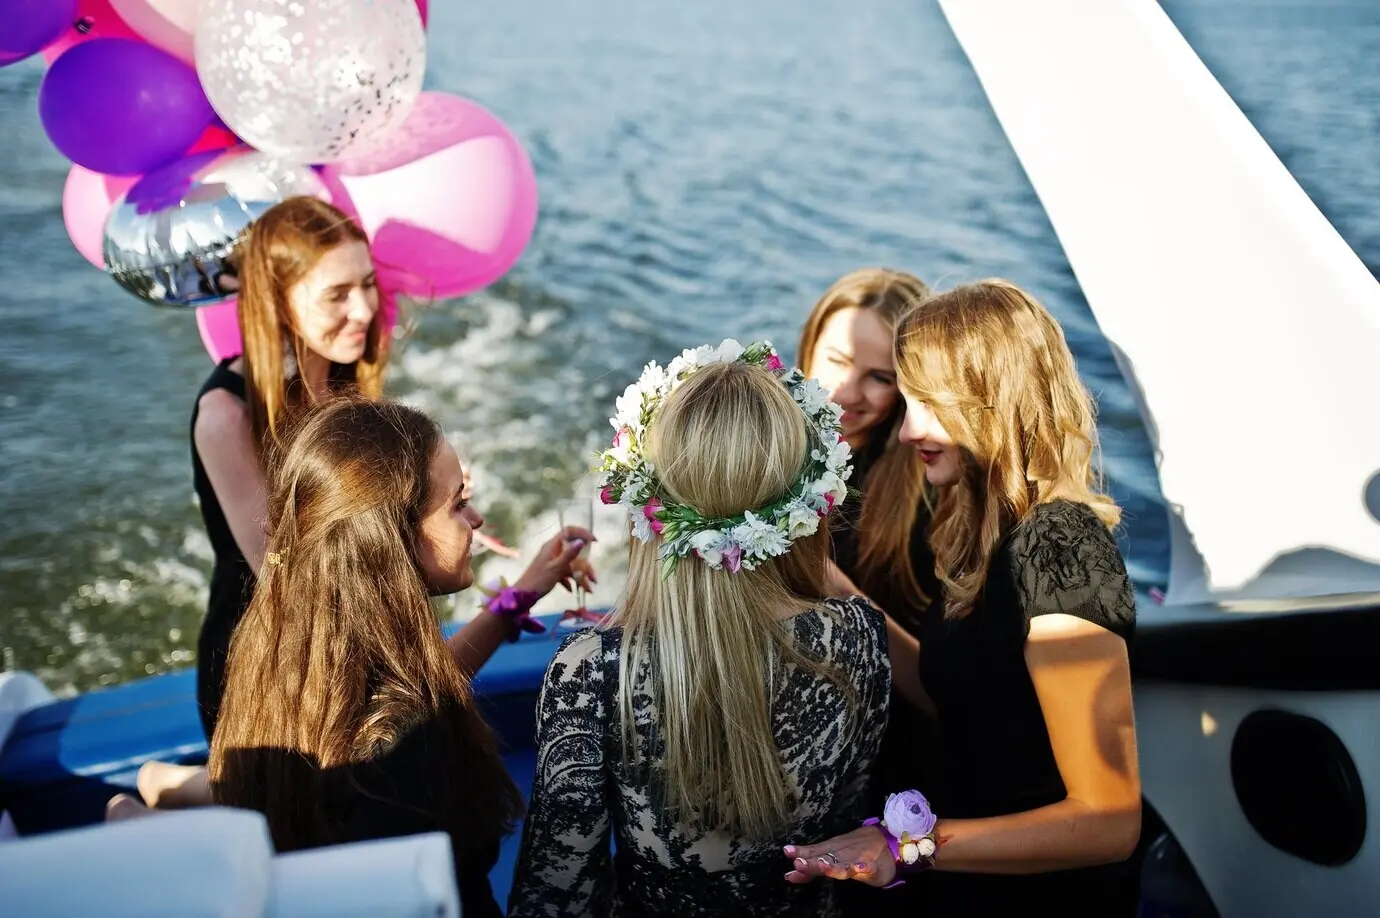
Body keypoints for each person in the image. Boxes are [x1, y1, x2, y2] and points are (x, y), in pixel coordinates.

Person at [784, 281, 1141, 916]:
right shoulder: (980, 531)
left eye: (931, 405)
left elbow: (1108, 821)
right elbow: (949, 693)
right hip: (962, 878)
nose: (907, 431)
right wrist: (834, 587)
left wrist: (905, 845)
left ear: (993, 406)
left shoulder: (1058, 549)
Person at [508, 342, 892, 917]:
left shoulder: (590, 671)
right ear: (813, 505)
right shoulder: (860, 637)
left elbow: (560, 889)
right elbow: (842, 828)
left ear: (650, 506)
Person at [203, 397, 589, 917]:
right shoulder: (405, 750)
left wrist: (518, 596)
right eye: (456, 504)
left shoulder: (281, 645)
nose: (476, 518)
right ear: (391, 540)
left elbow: (415, 684)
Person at [798, 268, 941, 917]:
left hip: (883, 787)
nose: (846, 394)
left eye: (880, 378)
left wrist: (840, 591)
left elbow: (940, 699)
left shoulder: (928, 506)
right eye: (835, 362)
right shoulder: (775, 458)